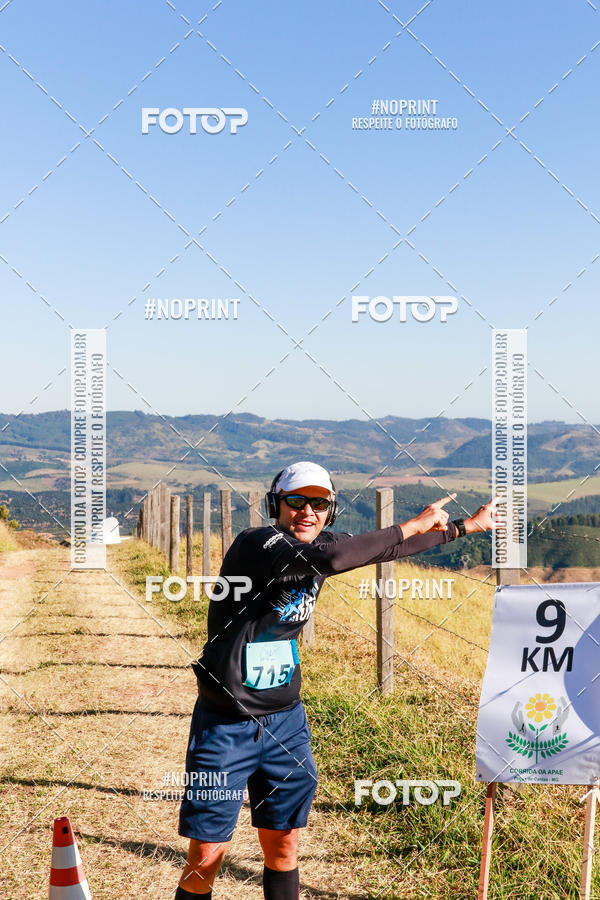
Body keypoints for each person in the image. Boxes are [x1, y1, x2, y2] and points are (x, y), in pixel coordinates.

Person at [175, 461, 498, 898]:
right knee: (207, 855)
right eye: (296, 501)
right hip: (226, 722)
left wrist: (465, 527)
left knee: (284, 845)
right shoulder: (258, 543)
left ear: (331, 510)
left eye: (320, 504)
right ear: (277, 504)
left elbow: (385, 550)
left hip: (285, 721)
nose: (307, 512)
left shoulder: (321, 541)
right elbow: (333, 558)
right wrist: (410, 523)